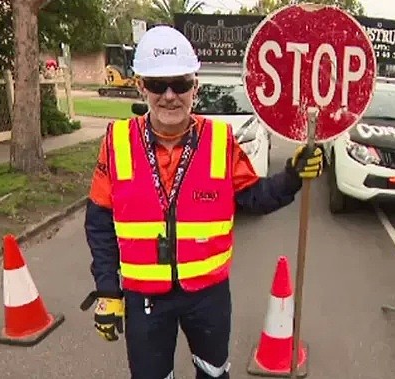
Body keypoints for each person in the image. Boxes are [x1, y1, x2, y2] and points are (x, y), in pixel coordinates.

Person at [79, 25, 324, 379]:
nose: (169, 96)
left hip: (207, 296)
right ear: (140, 87)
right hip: (143, 297)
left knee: (213, 374)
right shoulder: (117, 142)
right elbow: (99, 221)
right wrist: (107, 289)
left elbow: (255, 197)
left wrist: (293, 177)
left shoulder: (218, 140)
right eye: (156, 85)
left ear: (195, 88)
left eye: (180, 84)